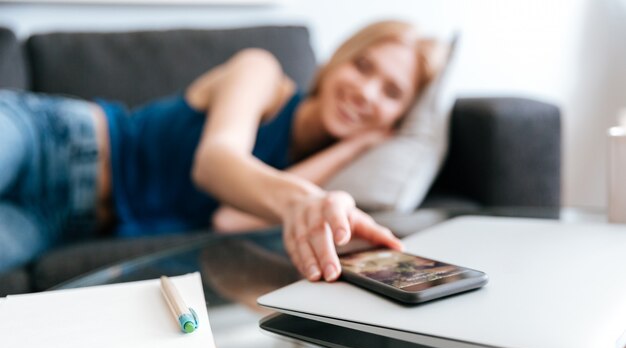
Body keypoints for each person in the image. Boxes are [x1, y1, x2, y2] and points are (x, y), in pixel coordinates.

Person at [0, 20, 445, 282]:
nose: (366, 92)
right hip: (55, 138)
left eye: (390, 91)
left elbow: (227, 219)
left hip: (63, 223)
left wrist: (351, 150)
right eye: (362, 66)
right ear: (336, 62)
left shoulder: (309, 174)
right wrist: (304, 199)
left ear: (398, 118)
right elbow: (216, 164)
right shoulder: (262, 73)